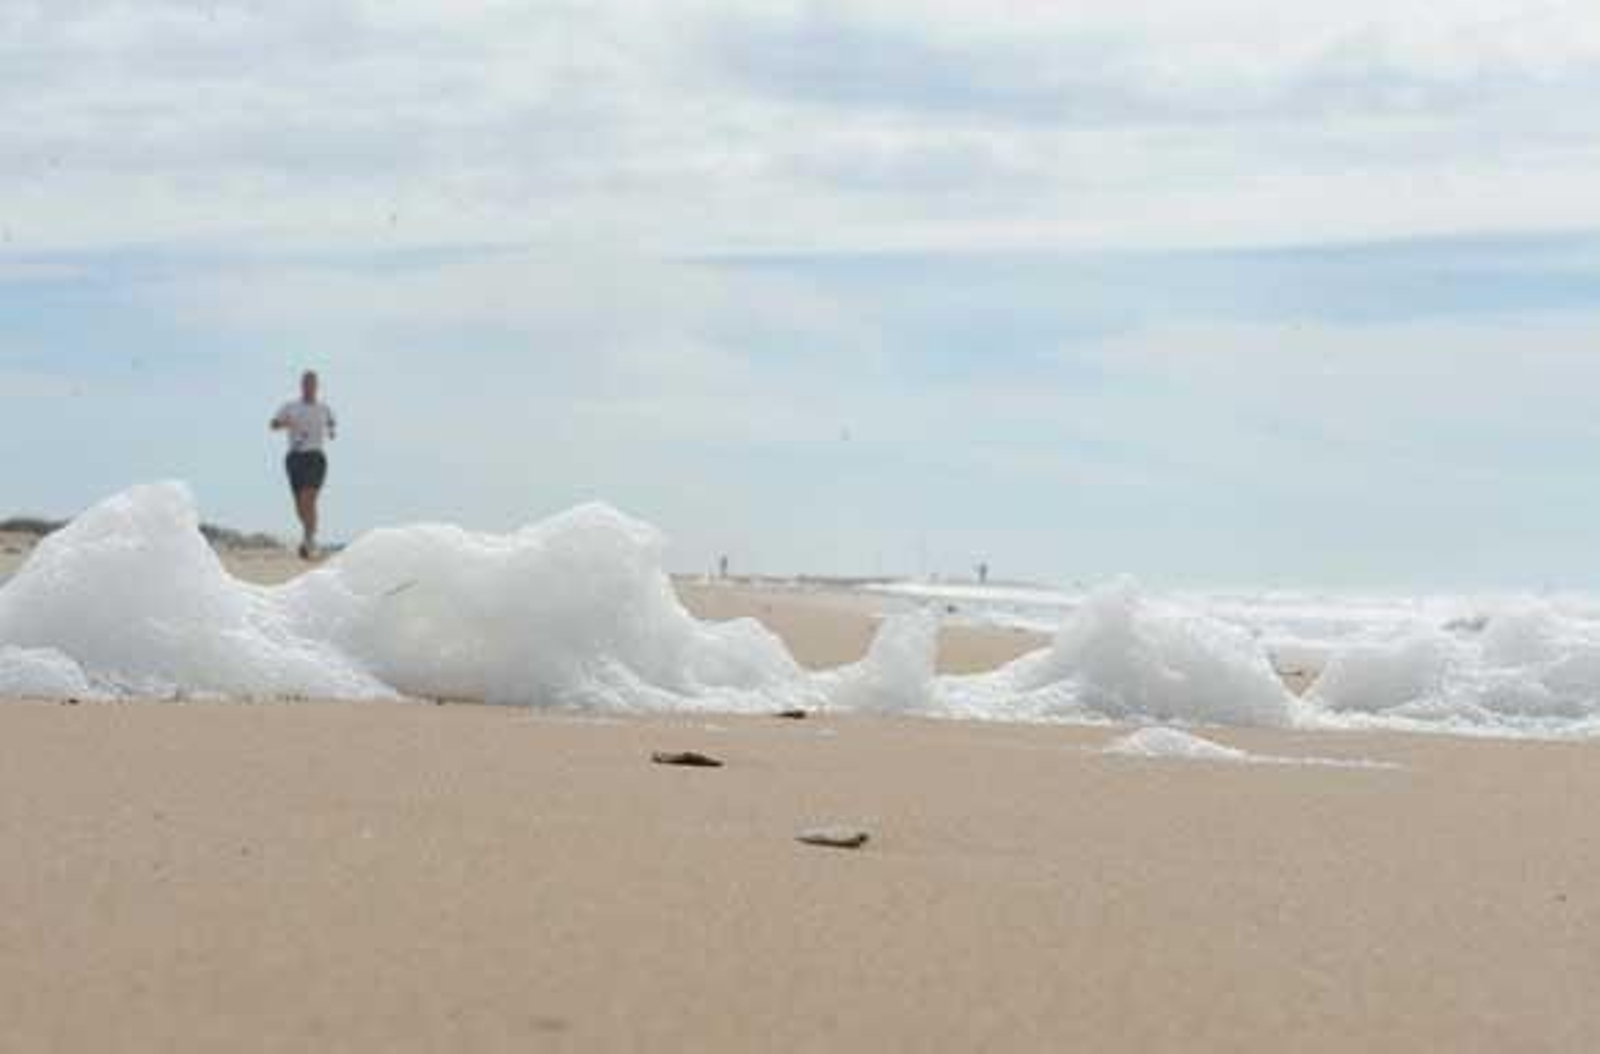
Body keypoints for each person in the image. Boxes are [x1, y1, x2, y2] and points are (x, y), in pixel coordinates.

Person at [270, 370, 337, 560]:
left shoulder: (324, 408)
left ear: (316, 386)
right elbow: (273, 424)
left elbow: (332, 422)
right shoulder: (290, 406)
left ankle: (309, 542)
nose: (309, 386)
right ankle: (310, 535)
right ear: (301, 385)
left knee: (309, 500)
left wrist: (331, 430)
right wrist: (285, 423)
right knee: (300, 506)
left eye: (312, 383)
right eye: (305, 383)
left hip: (316, 457)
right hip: (295, 458)